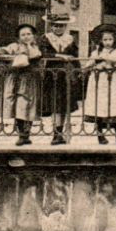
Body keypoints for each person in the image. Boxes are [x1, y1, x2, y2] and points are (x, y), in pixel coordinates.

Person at [0, 24, 43, 146]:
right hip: (15, 79)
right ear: (18, 37)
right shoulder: (14, 46)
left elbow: (35, 55)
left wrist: (27, 46)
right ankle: (21, 134)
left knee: (28, 105)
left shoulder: (35, 47)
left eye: (29, 34)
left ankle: (26, 134)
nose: (26, 37)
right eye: (23, 35)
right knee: (17, 106)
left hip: (30, 79)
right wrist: (11, 57)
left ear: (33, 36)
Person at [39, 14, 82, 145]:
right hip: (51, 74)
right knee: (55, 104)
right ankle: (56, 133)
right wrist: (59, 55)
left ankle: (60, 132)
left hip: (66, 75)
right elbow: (42, 53)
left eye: (61, 26)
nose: (58, 28)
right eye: (55, 25)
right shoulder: (46, 38)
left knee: (64, 104)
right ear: (51, 26)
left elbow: (75, 56)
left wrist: (78, 70)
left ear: (65, 27)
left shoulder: (70, 39)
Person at [83, 23, 116, 144]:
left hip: (114, 81)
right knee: (99, 106)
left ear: (114, 40)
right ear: (101, 41)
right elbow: (89, 63)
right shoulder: (96, 51)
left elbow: (115, 59)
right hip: (99, 82)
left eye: (110, 39)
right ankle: (100, 135)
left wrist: (101, 59)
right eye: (105, 40)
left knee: (115, 105)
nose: (108, 42)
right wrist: (94, 63)